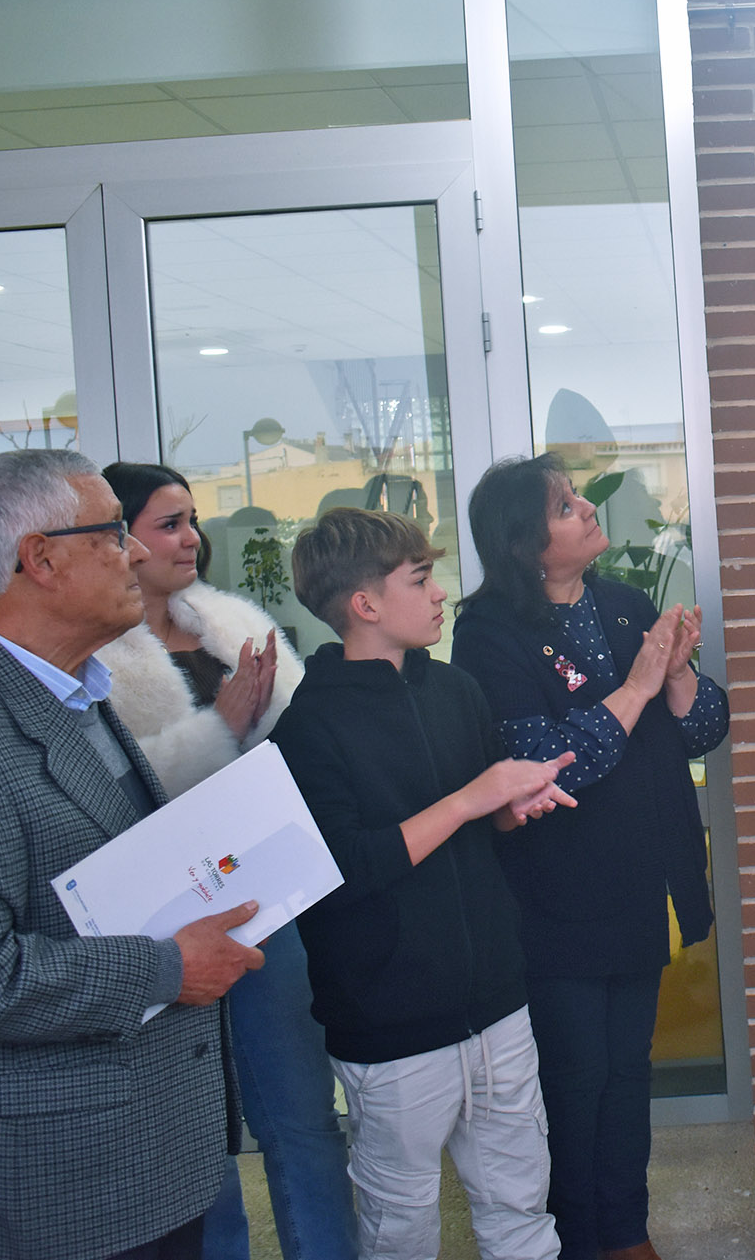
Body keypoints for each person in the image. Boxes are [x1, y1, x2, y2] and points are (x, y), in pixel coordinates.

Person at [0, 448, 265, 1260]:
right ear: (40, 559)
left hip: (140, 1153)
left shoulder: (75, 691)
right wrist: (170, 966)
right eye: (112, 533)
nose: (134, 553)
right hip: (48, 1187)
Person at [268, 507, 575, 1260]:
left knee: (522, 1209)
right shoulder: (308, 724)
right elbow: (342, 872)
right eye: (419, 579)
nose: (440, 593)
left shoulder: (456, 690)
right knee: (400, 1231)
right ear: (365, 604)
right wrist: (473, 798)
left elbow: (474, 827)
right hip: (391, 1030)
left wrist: (507, 808)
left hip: (497, 1003)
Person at [450, 455, 727, 1260]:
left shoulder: (625, 604)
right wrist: (638, 685)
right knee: (576, 1080)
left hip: (642, 880)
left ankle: (626, 1230)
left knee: (629, 1073)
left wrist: (677, 675)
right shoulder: (490, 631)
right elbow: (546, 764)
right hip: (558, 897)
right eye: (565, 505)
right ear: (524, 542)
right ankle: (577, 1238)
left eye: (576, 498)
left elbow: (705, 727)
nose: (585, 509)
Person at [94, 463, 354, 1260]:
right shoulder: (95, 655)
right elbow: (110, 796)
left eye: (193, 520)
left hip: (266, 901)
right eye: (170, 523)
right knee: (195, 1133)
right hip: (165, 922)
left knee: (302, 1113)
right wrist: (221, 725)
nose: (192, 538)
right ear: (120, 538)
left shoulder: (231, 624)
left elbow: (307, 752)